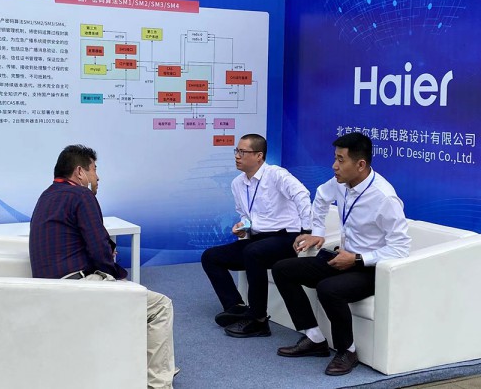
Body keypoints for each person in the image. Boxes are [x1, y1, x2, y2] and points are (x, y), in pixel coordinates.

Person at [29, 144, 176, 389]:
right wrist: (118, 276)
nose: (97, 177)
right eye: (94, 170)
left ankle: (150, 366)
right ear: (80, 172)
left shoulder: (46, 196)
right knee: (160, 305)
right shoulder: (82, 196)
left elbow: (86, 240)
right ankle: (158, 384)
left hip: (46, 290)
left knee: (130, 293)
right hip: (78, 288)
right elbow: (99, 249)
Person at [272, 132, 410, 376]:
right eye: (335, 158)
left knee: (328, 289)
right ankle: (314, 338)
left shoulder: (384, 197)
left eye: (340, 160)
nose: (334, 166)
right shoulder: (340, 182)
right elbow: (321, 197)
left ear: (360, 164)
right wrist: (317, 232)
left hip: (370, 268)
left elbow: (400, 247)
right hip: (342, 256)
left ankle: (348, 350)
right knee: (282, 269)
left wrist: (357, 259)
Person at [201, 133, 312, 338]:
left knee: (253, 252)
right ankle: (236, 307)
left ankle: (259, 319)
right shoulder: (237, 183)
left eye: (243, 152)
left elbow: (302, 194)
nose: (237, 156)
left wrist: (306, 231)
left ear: (259, 155)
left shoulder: (276, 175)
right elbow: (246, 215)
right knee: (210, 257)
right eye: (236, 151)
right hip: (257, 240)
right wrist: (242, 226)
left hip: (286, 238)